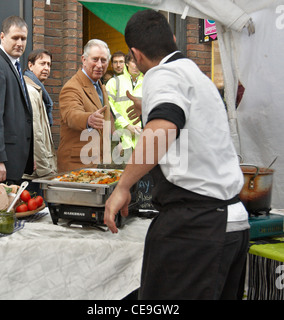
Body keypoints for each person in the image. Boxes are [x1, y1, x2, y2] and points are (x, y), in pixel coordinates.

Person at [104, 10, 249, 300]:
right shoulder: (196, 75)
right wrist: (149, 105)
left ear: (135, 54)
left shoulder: (162, 74)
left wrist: (123, 186)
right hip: (232, 224)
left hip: (197, 228)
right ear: (172, 38)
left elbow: (163, 129)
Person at [0, 15, 33, 184]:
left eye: (23, 38)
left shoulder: (15, 66)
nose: (20, 43)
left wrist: (29, 156)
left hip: (15, 161)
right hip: (2, 164)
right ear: (2, 37)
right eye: (15, 38)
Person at [57, 39, 113, 172]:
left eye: (103, 60)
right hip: (77, 167)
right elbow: (71, 114)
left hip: (96, 165)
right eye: (95, 59)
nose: (99, 65)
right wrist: (88, 119)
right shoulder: (72, 87)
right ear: (83, 59)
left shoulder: (100, 86)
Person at [23, 49, 57, 194]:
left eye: (49, 64)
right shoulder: (31, 91)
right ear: (30, 65)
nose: (46, 68)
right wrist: (46, 170)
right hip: (35, 172)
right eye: (42, 63)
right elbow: (35, 133)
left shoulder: (39, 91)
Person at [106, 51, 143, 158]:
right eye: (133, 62)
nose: (136, 66)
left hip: (142, 140)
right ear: (127, 63)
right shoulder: (114, 82)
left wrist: (141, 128)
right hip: (120, 140)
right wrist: (126, 126)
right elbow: (110, 108)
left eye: (139, 62)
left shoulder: (148, 83)